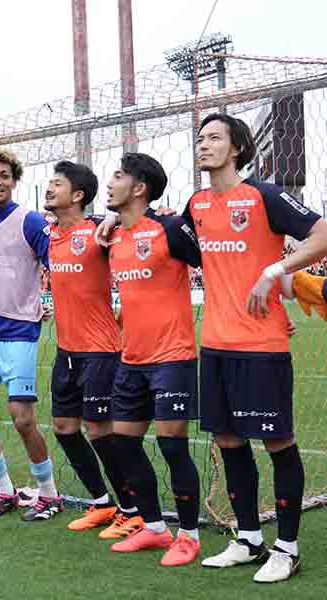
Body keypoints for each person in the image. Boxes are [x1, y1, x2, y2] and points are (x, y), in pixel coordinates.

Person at [184, 114, 327, 582]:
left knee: (277, 442)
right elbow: (171, 243)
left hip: (261, 347)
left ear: (238, 147)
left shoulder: (263, 195)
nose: (203, 145)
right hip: (216, 345)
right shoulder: (197, 204)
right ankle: (248, 539)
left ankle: (286, 548)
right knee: (228, 441)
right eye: (200, 138)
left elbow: (321, 234)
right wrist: (112, 227)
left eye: (214, 138)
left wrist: (275, 273)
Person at [100, 153, 203, 567]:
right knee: (123, 444)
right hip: (132, 359)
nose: (110, 183)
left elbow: (214, 261)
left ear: (139, 188)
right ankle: (155, 528)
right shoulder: (112, 236)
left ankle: (190, 537)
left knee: (172, 446)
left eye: (119, 176)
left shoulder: (170, 228)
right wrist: (109, 224)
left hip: (173, 357)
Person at [43, 161, 141, 537]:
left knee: (100, 430)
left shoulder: (98, 232)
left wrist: (114, 220)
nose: (49, 189)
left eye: (57, 184)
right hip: (66, 350)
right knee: (65, 428)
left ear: (78, 195)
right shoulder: (49, 235)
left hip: (100, 350)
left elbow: (132, 229)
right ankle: (101, 502)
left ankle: (131, 509)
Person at [0, 149, 60, 519]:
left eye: (4, 175)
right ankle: (4, 490)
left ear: (14, 180)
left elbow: (56, 264)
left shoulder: (30, 221)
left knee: (22, 418)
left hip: (18, 331)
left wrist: (50, 302)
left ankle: (49, 493)